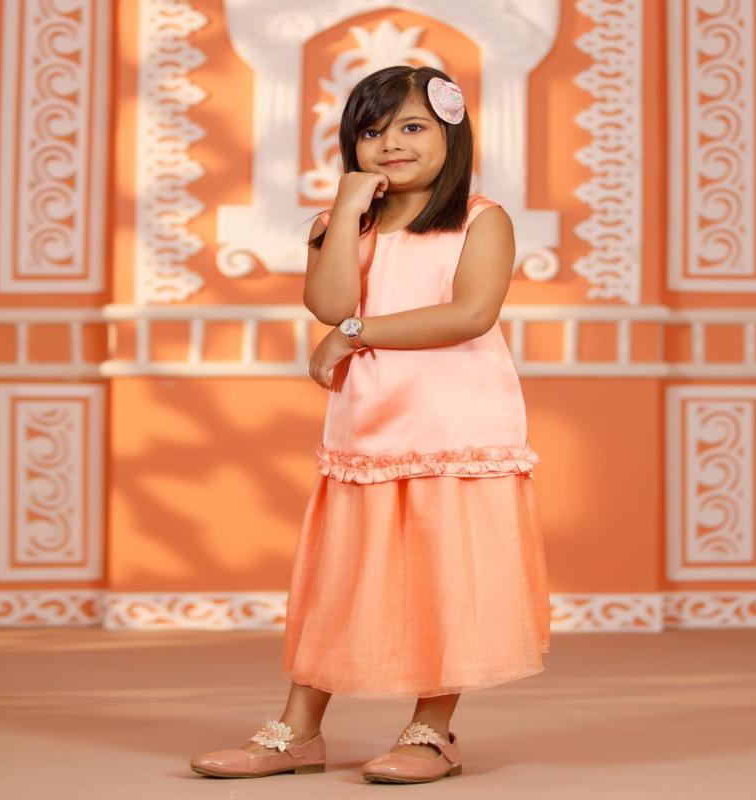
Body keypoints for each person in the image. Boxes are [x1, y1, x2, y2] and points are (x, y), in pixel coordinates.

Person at [190, 65, 551, 784]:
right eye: (372, 130)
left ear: (451, 134)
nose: (391, 144)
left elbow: (470, 313)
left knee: (447, 578)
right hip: (369, 427)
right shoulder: (341, 224)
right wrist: (346, 207)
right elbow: (328, 303)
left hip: (457, 427)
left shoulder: (480, 219)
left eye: (412, 127)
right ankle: (296, 732)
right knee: (341, 578)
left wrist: (355, 333)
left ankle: (431, 732)